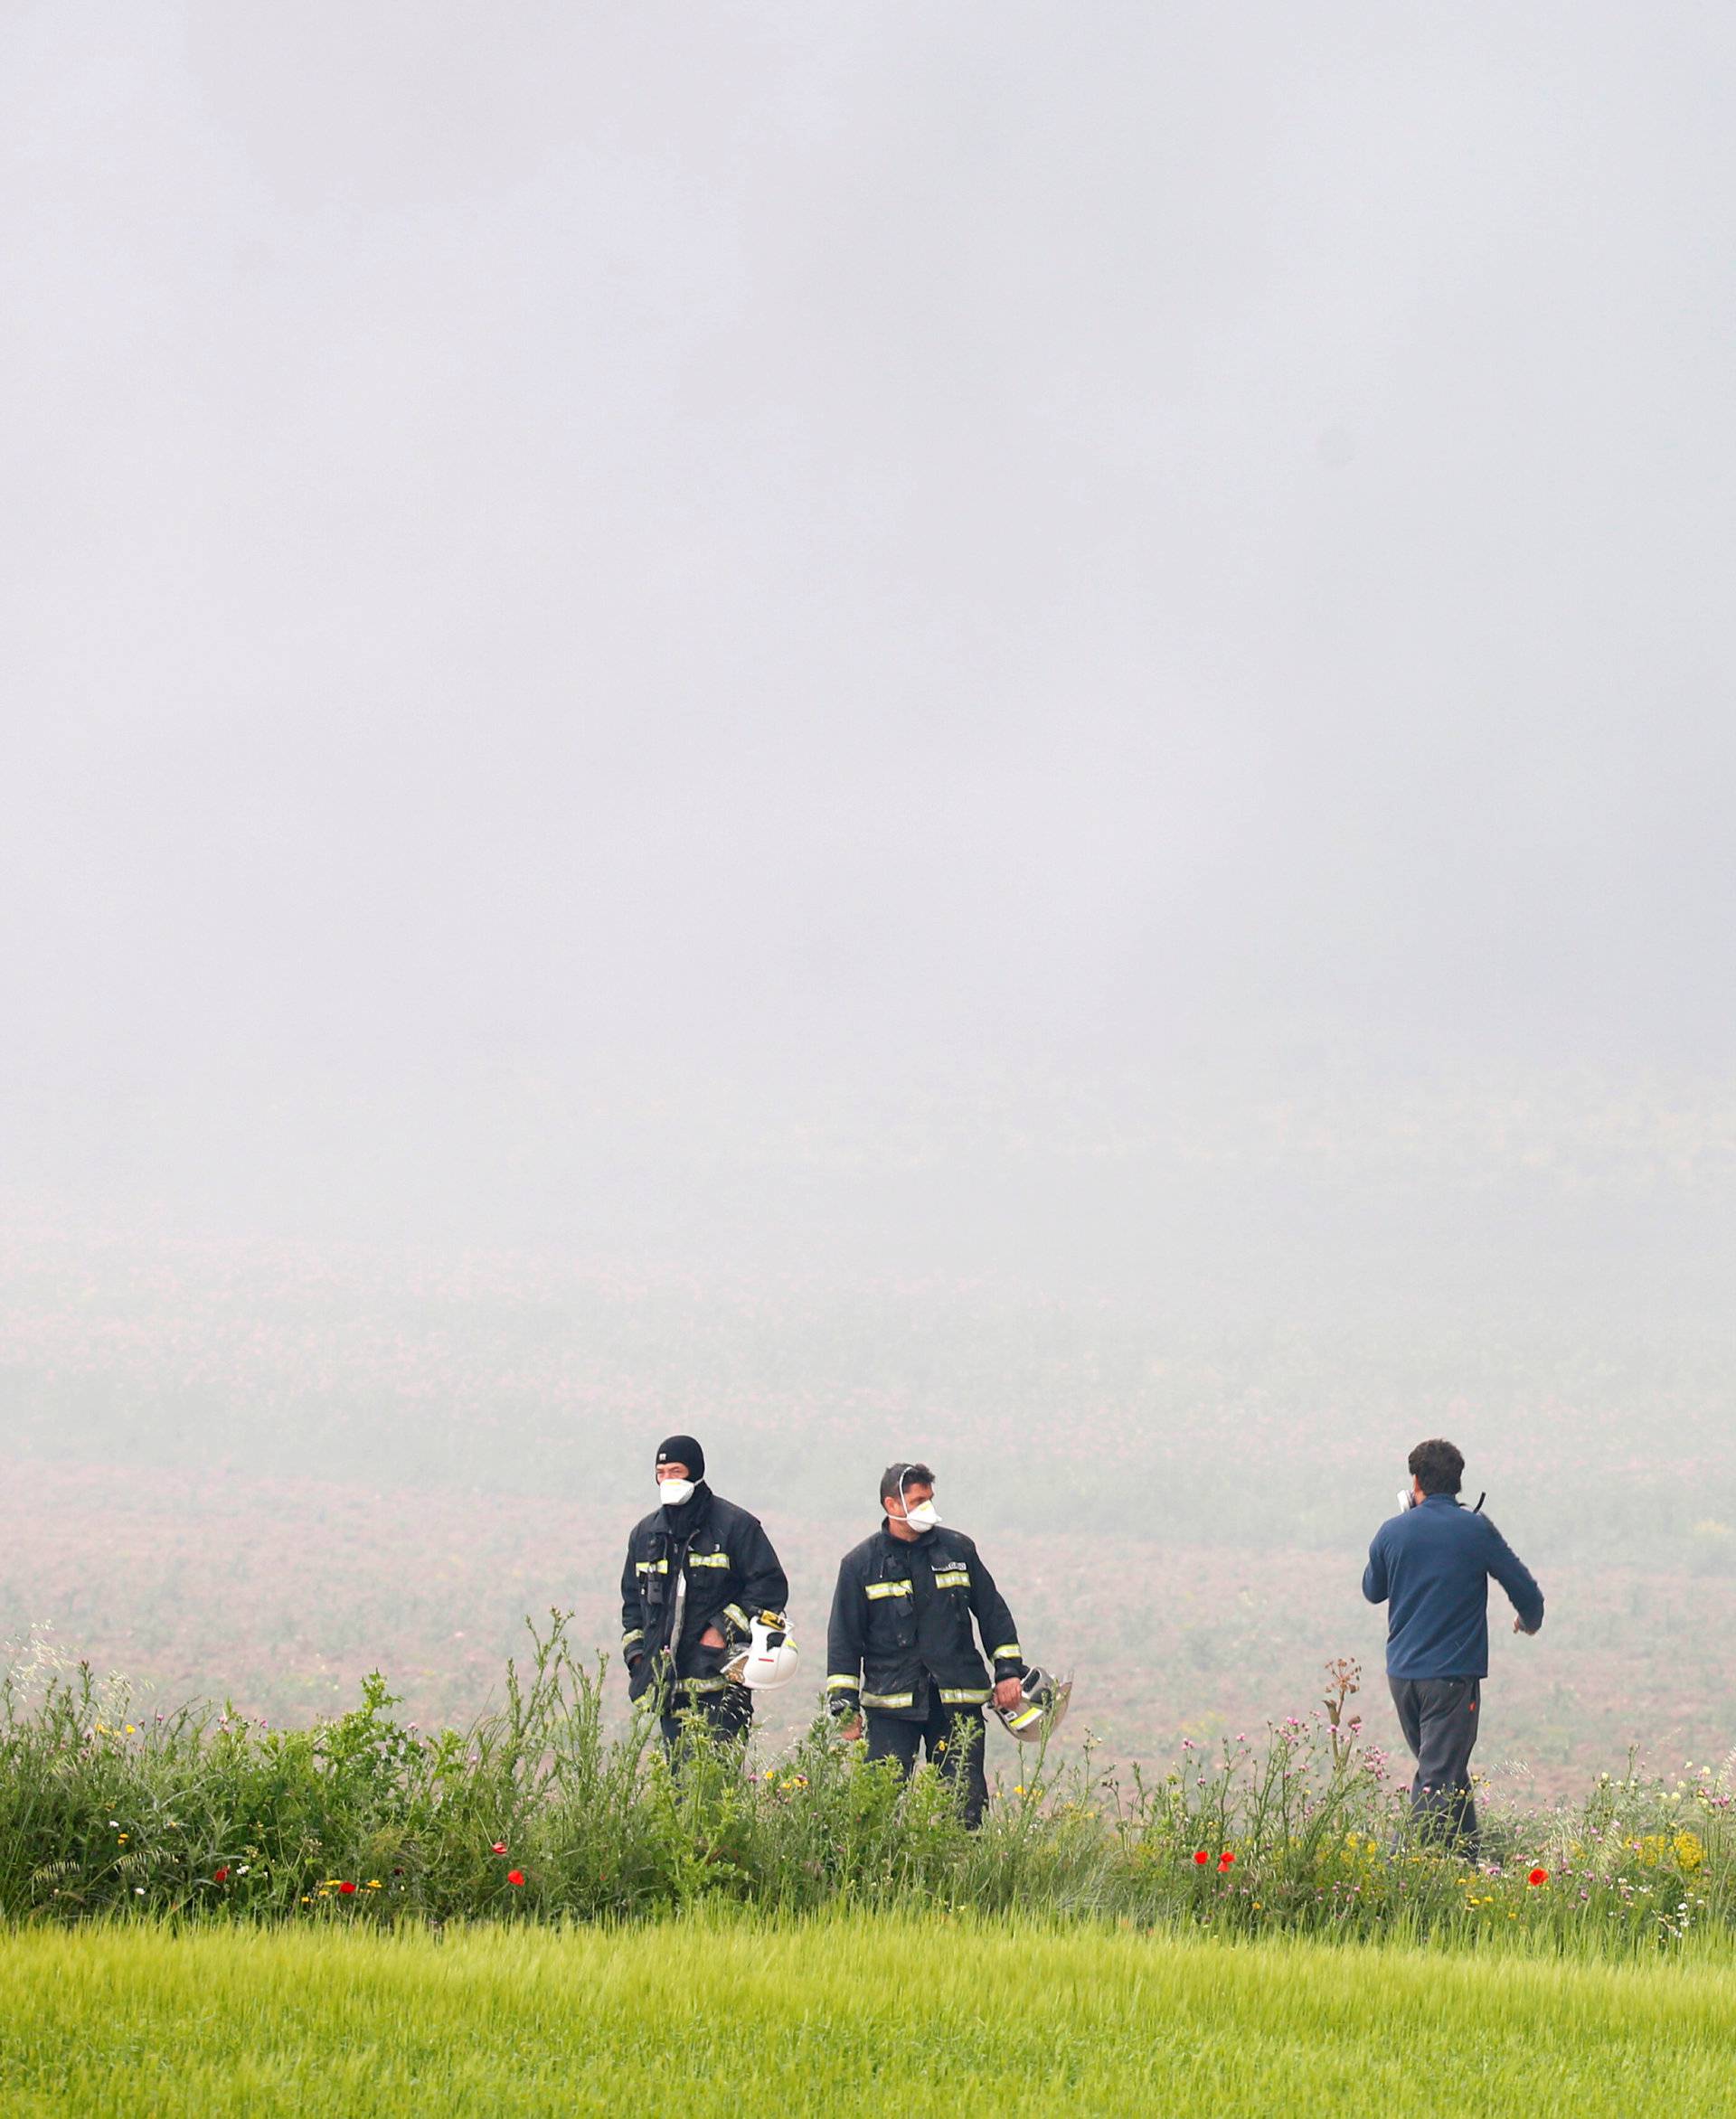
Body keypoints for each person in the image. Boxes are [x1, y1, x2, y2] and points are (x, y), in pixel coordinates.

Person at [1363, 1437, 1544, 1857]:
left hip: (1403, 1678)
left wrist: (1402, 1540)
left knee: (1447, 1770)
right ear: (1458, 1484)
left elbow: (1373, 1590)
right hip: (1450, 1681)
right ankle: (1395, 1876)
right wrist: (1529, 1622)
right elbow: (1526, 1591)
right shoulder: (1475, 1529)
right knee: (1436, 1778)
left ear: (1415, 1482)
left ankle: (1467, 1864)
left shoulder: (1392, 1531)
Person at [825, 1461, 1025, 1827]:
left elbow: (993, 1613)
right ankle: (878, 1876)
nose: (927, 1508)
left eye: (929, 1499)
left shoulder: (958, 1550)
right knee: (878, 1806)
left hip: (957, 1703)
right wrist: (843, 1706)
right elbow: (844, 1640)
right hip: (891, 1707)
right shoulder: (860, 1564)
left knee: (965, 1804)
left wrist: (1009, 1671)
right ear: (891, 1505)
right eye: (917, 1500)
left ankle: (961, 1875)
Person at [619, 1435, 789, 1756]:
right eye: (661, 1472)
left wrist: (721, 1629)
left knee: (718, 1785)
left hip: (722, 1686)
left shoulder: (736, 1526)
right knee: (680, 1791)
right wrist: (638, 1657)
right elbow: (632, 1604)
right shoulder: (645, 1536)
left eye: (676, 1471)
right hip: (668, 1690)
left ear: (695, 1472)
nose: (668, 1479)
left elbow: (769, 1588)